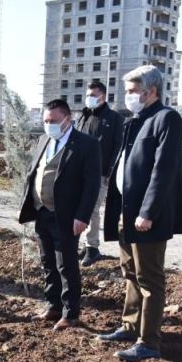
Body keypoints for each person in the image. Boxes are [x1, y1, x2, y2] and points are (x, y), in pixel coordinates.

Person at [97, 65, 182, 362]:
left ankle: (148, 342)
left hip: (147, 216)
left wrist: (148, 212)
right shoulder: (134, 121)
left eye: (133, 91)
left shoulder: (167, 119)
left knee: (150, 278)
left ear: (151, 91)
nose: (128, 97)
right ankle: (130, 325)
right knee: (130, 273)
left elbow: (164, 170)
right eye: (128, 91)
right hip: (127, 212)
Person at [19, 99, 101, 331]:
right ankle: (53, 305)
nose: (49, 125)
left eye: (53, 121)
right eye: (45, 121)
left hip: (66, 215)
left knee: (66, 264)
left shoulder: (86, 144)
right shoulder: (44, 140)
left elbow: (91, 185)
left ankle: (70, 313)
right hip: (42, 212)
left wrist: (83, 216)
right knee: (48, 262)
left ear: (67, 119)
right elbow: (34, 172)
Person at [76, 81, 125, 266]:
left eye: (93, 95)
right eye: (88, 94)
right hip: (80, 172)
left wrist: (109, 172)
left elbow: (118, 147)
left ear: (103, 97)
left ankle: (93, 248)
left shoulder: (114, 119)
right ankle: (84, 245)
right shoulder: (83, 117)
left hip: (100, 174)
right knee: (80, 208)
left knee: (92, 209)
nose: (89, 98)